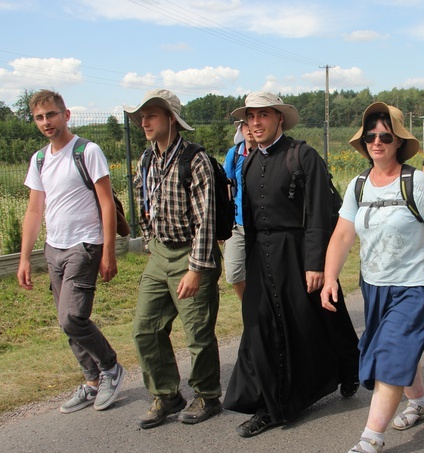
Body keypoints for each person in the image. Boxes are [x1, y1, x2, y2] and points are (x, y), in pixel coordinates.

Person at [321, 102, 424, 453]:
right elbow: (343, 235)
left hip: (417, 286)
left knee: (390, 355)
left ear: (397, 142)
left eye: (385, 136)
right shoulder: (357, 185)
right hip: (375, 286)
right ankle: (418, 402)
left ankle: (370, 439)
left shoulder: (416, 182)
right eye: (371, 136)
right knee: (395, 349)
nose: (377, 141)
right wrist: (330, 277)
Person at [223, 91, 360, 438]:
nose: (255, 123)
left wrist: (316, 264)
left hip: (299, 251)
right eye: (250, 117)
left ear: (279, 118)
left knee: (324, 317)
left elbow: (317, 211)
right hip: (263, 256)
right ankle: (271, 405)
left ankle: (348, 369)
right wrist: (253, 266)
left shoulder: (303, 156)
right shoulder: (249, 163)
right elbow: (251, 222)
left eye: (263, 115)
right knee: (263, 328)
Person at [17, 89, 126, 414]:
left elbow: (107, 204)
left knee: (72, 318)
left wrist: (109, 252)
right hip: (54, 249)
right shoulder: (39, 159)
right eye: (39, 117)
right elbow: (35, 211)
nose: (46, 122)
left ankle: (111, 368)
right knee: (66, 321)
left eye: (51, 114)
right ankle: (92, 382)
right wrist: (25, 257)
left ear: (66, 115)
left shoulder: (87, 151)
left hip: (85, 245)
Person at [127, 89, 223, 428]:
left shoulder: (194, 159)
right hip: (160, 254)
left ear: (170, 119)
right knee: (145, 329)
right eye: (142, 116)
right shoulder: (146, 159)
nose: (144, 121)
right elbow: (143, 203)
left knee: (197, 332)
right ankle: (167, 395)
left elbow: (206, 220)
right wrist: (152, 242)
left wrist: (196, 270)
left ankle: (208, 395)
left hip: (192, 253)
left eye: (151, 115)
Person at [223, 120, 256, 300]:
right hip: (237, 225)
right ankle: (248, 307)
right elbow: (226, 184)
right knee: (234, 274)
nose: (249, 129)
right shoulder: (234, 153)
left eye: (250, 125)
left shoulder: (267, 152)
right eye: (245, 126)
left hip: (261, 227)